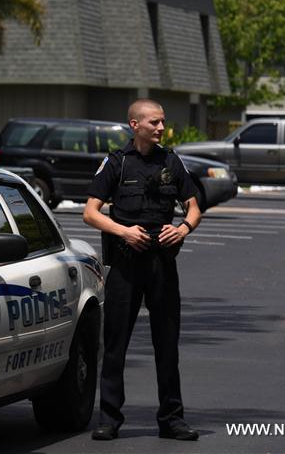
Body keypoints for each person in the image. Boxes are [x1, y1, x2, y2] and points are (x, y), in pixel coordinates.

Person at [83, 98, 201, 441]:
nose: (161, 128)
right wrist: (123, 231)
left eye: (162, 122)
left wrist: (183, 229)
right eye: (154, 123)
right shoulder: (117, 163)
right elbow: (90, 212)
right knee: (116, 342)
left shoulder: (171, 161)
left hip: (162, 263)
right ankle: (109, 418)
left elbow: (193, 207)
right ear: (135, 125)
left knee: (167, 344)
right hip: (125, 263)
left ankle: (172, 418)